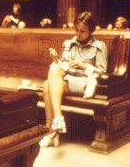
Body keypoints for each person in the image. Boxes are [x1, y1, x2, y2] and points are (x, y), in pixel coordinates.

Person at [39, 11, 108, 148]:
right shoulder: (68, 44)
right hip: (68, 79)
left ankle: (52, 130)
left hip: (85, 82)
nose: (78, 34)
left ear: (91, 31)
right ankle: (56, 122)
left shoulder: (99, 46)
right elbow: (63, 67)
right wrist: (56, 59)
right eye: (76, 30)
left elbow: (102, 72)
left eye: (82, 31)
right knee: (49, 79)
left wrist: (83, 65)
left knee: (48, 85)